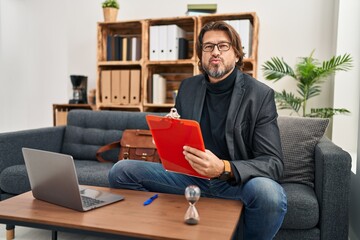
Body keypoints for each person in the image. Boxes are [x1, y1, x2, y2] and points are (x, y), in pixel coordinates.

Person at [109, 21, 287, 239]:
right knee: (122, 170)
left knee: (269, 195)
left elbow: (273, 163)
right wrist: (168, 137)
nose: (215, 52)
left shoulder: (259, 95)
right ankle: (161, 229)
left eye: (223, 46)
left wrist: (223, 167)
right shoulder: (188, 87)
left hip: (235, 184)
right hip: (191, 179)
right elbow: (185, 143)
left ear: (237, 54)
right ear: (201, 55)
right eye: (208, 46)